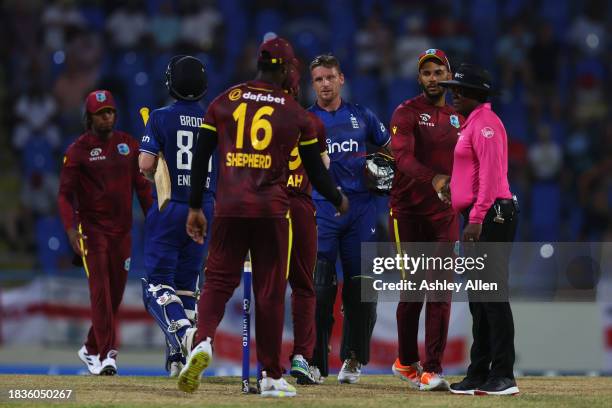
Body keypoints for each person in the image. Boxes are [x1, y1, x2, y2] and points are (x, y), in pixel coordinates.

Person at [177, 37, 349, 397]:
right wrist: (337, 197)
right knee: (269, 292)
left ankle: (202, 340)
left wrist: (195, 207)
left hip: (228, 208)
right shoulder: (295, 113)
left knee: (218, 282)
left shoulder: (224, 101)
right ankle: (270, 375)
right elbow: (317, 172)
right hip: (272, 211)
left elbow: (200, 159)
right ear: (287, 69)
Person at [308, 54, 390, 384]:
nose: (325, 84)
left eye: (330, 77)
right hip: (323, 210)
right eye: (318, 79)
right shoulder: (305, 121)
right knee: (320, 289)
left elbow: (389, 150)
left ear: (341, 79)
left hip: (361, 210)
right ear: (312, 84)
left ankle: (354, 360)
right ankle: (314, 363)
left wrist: (382, 169)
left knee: (362, 289)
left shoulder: (362, 116)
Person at [58, 89, 152, 375]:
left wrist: (155, 221)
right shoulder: (77, 151)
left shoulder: (128, 145)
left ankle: (89, 348)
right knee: (100, 292)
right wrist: (71, 230)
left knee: (115, 296)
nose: (107, 117)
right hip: (92, 232)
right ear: (89, 117)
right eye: (101, 113)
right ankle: (107, 355)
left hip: (123, 233)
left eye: (110, 111)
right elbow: (64, 195)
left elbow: (143, 188)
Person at [439, 64, 520, 396]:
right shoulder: (474, 124)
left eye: (458, 90)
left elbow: (490, 178)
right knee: (478, 299)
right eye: (452, 89)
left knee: (492, 296)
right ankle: (479, 372)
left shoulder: (486, 124)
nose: (452, 94)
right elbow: (475, 175)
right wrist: (455, 193)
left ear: (476, 94)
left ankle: (503, 374)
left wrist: (475, 218)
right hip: (480, 215)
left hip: (491, 217)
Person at [388, 49, 463, 391]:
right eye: (427, 73)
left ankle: (432, 369)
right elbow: (400, 156)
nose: (433, 77)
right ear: (419, 78)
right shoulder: (406, 112)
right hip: (408, 213)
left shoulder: (458, 116)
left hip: (444, 215)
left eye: (439, 71)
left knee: (440, 292)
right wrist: (433, 177)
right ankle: (405, 361)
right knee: (413, 291)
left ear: (449, 75)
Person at [138, 55, 216, 377]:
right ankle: (177, 361)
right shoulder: (215, 118)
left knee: (155, 286)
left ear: (170, 83)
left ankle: (186, 336)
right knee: (185, 287)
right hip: (206, 208)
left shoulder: (159, 117)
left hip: (170, 207)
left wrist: (154, 168)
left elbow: (144, 165)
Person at [283, 60, 330, 385]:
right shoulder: (311, 121)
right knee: (303, 285)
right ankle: (301, 357)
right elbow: (322, 167)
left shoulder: (257, 118)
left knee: (268, 287)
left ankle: (268, 362)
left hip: (265, 209)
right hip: (300, 207)